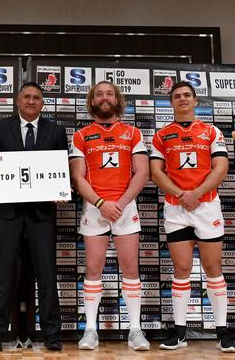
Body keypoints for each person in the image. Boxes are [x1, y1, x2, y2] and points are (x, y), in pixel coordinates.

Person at [149, 81, 235, 352]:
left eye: (187, 95)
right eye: (177, 96)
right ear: (172, 102)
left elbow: (221, 167)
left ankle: (222, 333)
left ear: (195, 100)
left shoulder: (210, 131)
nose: (182, 99)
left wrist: (196, 193)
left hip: (206, 206)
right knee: (182, 269)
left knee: (213, 268)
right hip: (176, 209)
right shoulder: (162, 135)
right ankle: (179, 332)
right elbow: (156, 171)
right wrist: (182, 195)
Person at [0, 82, 67, 352]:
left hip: (41, 213)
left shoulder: (56, 130)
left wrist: (60, 189)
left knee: (47, 273)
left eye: (36, 98)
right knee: (2, 273)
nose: (31, 101)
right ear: (17, 101)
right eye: (27, 97)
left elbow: (62, 165)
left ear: (42, 103)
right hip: (8, 212)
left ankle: (52, 333)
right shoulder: (0, 127)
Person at [69, 80, 150, 351]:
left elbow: (143, 172)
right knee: (93, 268)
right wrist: (102, 203)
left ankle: (135, 330)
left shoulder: (133, 133)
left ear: (117, 100)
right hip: (95, 207)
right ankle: (90, 330)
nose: (105, 98)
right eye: (99, 94)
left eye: (110, 94)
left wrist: (122, 202)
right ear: (92, 101)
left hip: (125, 208)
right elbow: (77, 178)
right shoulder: (81, 135)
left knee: (131, 269)